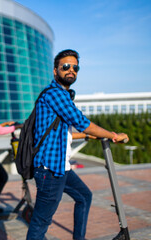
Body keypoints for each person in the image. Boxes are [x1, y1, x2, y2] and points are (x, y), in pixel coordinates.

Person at [26, 49, 129, 240]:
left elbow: (63, 133)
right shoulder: (55, 94)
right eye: (65, 66)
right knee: (40, 223)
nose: (71, 70)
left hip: (60, 167)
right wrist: (113, 135)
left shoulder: (61, 95)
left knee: (84, 196)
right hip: (49, 169)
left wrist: (88, 137)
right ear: (55, 70)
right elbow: (83, 122)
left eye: (75, 67)